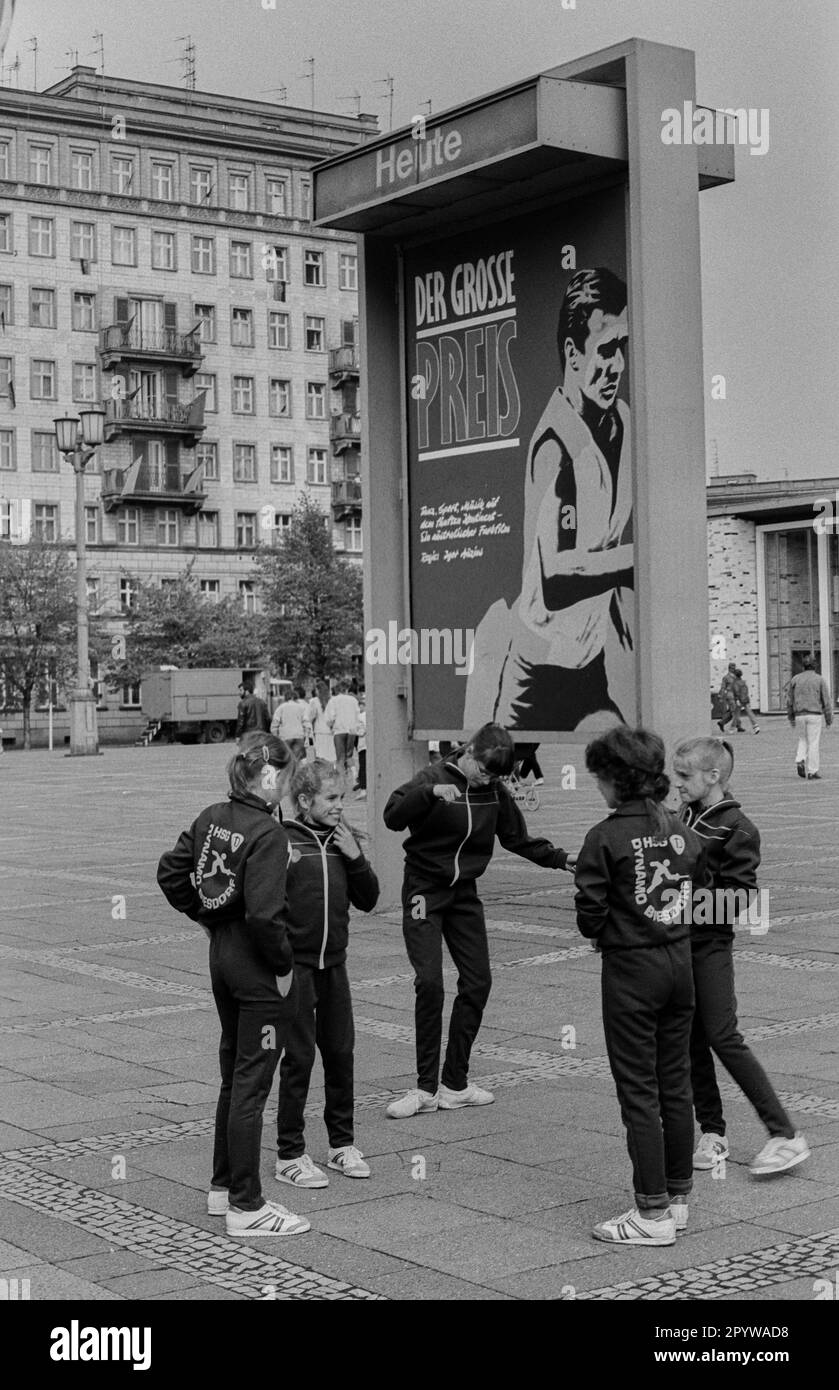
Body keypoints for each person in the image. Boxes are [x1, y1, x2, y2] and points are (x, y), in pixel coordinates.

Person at [463, 267, 633, 733]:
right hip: (537, 673)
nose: (616, 366)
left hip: (589, 663)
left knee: (635, 767)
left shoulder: (623, 421)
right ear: (573, 353)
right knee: (498, 782)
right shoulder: (555, 446)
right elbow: (556, 578)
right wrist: (636, 563)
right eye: (605, 350)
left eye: (623, 348)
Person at [157, 732, 310, 1237]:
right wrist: (285, 966)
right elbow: (268, 917)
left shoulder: (212, 816)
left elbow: (171, 871)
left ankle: (223, 1187)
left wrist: (206, 917)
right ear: (270, 778)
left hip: (223, 959)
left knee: (234, 1076)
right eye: (286, 778)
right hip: (258, 971)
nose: (287, 787)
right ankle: (247, 1206)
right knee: (252, 1084)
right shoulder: (269, 834)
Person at [383, 723, 574, 1118]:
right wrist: (428, 795)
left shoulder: (493, 792)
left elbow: (517, 838)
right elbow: (392, 816)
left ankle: (455, 1083)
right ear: (469, 751)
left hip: (464, 895)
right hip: (424, 891)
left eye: (494, 776)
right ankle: (423, 1088)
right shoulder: (433, 777)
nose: (487, 779)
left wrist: (561, 859)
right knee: (430, 983)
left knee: (477, 981)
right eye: (484, 770)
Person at [574, 726, 708, 1246]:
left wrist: (610, 927)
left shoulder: (603, 837)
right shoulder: (679, 828)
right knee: (675, 1082)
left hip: (631, 971)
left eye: (599, 779)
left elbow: (590, 914)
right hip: (679, 963)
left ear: (614, 781)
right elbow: (697, 884)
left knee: (638, 1090)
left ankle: (649, 1214)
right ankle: (676, 1198)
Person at [672, 736, 810, 1177]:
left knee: (722, 1035)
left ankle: (785, 1134)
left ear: (713, 776)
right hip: (677, 946)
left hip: (709, 945)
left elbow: (738, 899)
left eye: (684, 775)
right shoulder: (683, 815)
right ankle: (712, 1132)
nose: (676, 783)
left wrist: (677, 905)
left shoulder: (738, 828)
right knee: (692, 1041)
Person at [273, 759, 380, 1188]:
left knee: (340, 1054)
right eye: (331, 798)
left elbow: (369, 898)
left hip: (334, 966)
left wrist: (355, 856)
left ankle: (341, 1144)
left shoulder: (343, 841)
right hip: (295, 970)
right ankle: (290, 1153)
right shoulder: (284, 842)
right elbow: (268, 906)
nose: (341, 806)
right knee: (297, 1059)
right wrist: (279, 961)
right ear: (304, 801)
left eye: (343, 797)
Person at [787, 655, 832, 779]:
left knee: (802, 739)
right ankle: (812, 770)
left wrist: (791, 716)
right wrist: (829, 719)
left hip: (799, 715)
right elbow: (826, 701)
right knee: (813, 742)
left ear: (803, 666)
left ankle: (800, 759)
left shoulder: (795, 679)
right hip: (814, 714)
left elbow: (789, 700)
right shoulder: (819, 680)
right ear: (815, 666)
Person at [325, 682, 360, 774]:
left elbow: (330, 718)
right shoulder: (353, 700)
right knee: (349, 756)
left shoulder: (333, 700)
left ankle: (342, 779)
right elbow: (358, 715)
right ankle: (354, 776)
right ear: (346, 689)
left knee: (340, 757)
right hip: (352, 731)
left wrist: (331, 727)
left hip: (339, 731)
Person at [270, 686, 309, 758]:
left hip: (285, 737)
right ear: (296, 697)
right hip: (299, 736)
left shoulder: (280, 708)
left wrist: (276, 737)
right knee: (298, 759)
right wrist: (306, 737)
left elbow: (274, 724)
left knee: (287, 759)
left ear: (286, 697)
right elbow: (306, 724)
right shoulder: (301, 708)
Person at [308, 681, 335, 763]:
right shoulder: (332, 700)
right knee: (331, 755)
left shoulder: (314, 701)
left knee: (320, 755)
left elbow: (310, 717)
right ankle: (331, 773)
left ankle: (321, 774)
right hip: (331, 732)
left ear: (318, 690)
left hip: (319, 732)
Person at [717, 663, 743, 733]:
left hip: (735, 696)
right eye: (732, 668)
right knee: (735, 711)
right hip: (730, 695)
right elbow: (723, 687)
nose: (734, 669)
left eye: (734, 668)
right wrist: (721, 697)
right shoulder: (726, 677)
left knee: (731, 712)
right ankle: (739, 726)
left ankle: (722, 722)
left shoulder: (736, 676)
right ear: (729, 668)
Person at [732, 668, 759, 733]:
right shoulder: (744, 682)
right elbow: (746, 691)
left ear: (735, 675)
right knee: (750, 713)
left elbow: (736, 692)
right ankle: (755, 726)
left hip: (739, 700)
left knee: (736, 714)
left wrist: (737, 699)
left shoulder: (735, 683)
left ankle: (732, 728)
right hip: (745, 699)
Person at [355, 694, 367, 799]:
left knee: (363, 767)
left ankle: (363, 790)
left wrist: (354, 731)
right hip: (371, 746)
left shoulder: (361, 717)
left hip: (363, 745)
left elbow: (361, 732)